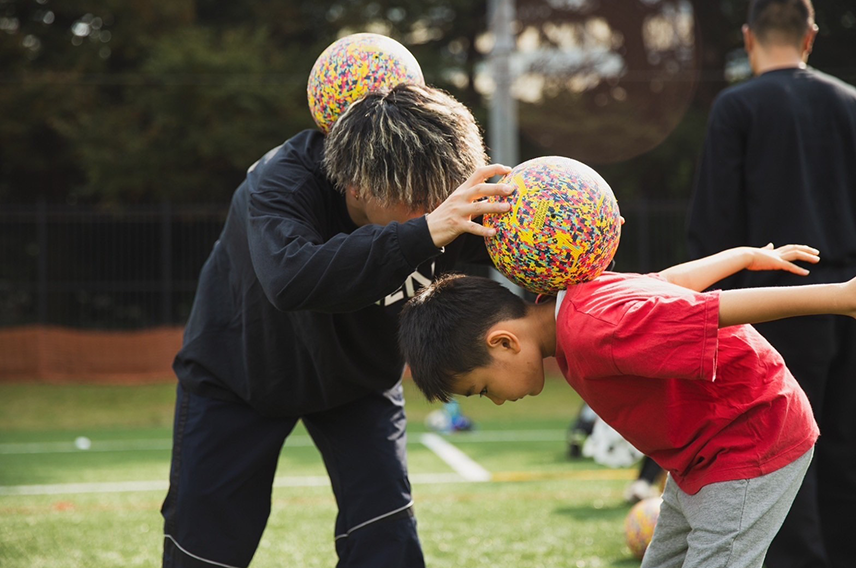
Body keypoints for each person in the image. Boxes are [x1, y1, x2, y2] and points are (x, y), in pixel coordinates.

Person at [161, 82, 516, 568]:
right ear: (357, 187)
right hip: (239, 377)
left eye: (443, 198)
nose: (437, 213)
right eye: (418, 202)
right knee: (203, 552)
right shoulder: (280, 181)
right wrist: (424, 233)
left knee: (387, 541)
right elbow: (290, 278)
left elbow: (540, 241)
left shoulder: (440, 194)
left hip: (360, 383)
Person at [398, 243, 856, 568]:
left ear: (503, 342)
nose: (497, 400)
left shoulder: (591, 329)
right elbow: (667, 283)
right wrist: (742, 256)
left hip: (750, 436)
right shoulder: (571, 302)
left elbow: (708, 310)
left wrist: (840, 297)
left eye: (483, 389)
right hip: (700, 454)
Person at [687, 1, 856, 566]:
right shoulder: (849, 102)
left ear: (747, 37)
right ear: (810, 37)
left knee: (783, 449)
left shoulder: (737, 106)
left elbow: (714, 223)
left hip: (772, 303)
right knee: (846, 446)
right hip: (850, 295)